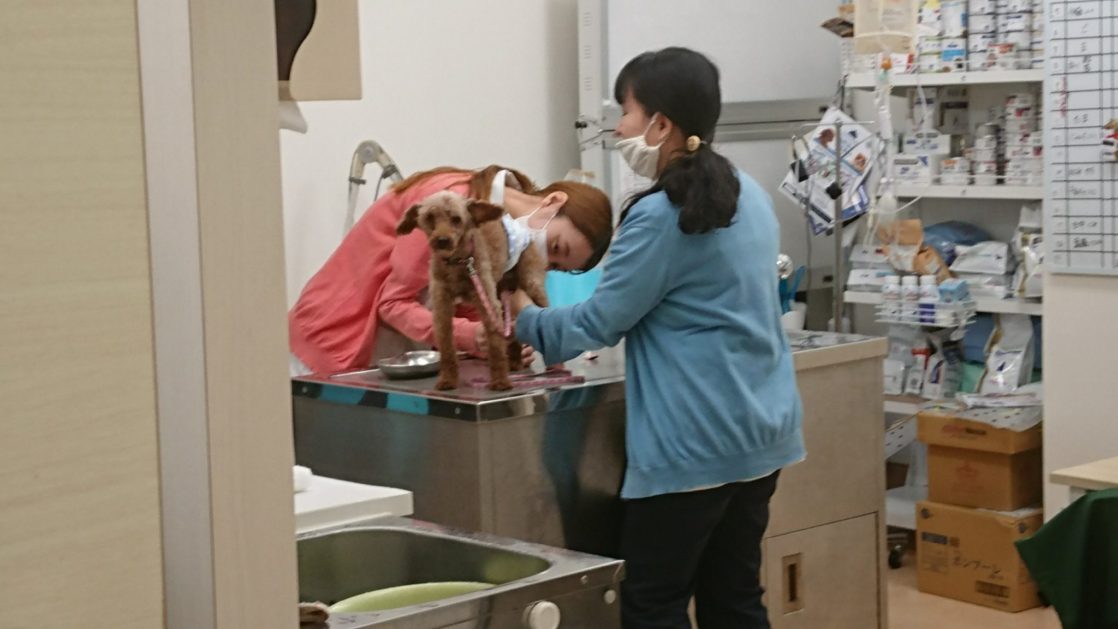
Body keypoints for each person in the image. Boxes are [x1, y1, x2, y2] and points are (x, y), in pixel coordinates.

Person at [513, 48, 805, 628]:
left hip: (693, 445)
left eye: (625, 111)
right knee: (735, 599)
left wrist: (521, 312)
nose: (618, 128)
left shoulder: (659, 214)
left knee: (653, 605)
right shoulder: (749, 193)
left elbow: (594, 325)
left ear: (661, 123)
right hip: (762, 432)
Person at [289, 165, 613, 375]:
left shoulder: (505, 236)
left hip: (390, 361)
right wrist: (471, 336)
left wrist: (496, 340)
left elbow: (465, 297)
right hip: (332, 345)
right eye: (555, 247)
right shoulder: (452, 204)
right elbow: (393, 303)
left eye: (554, 266)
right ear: (553, 200)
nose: (543, 262)